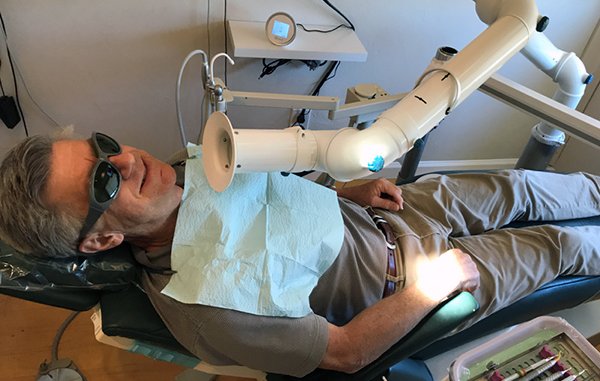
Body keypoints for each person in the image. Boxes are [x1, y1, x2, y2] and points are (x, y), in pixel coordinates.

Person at [1, 129, 600, 378]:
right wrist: (431, 288)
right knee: (563, 244)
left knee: (525, 187)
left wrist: (342, 191)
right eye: (105, 182)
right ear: (102, 240)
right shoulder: (203, 307)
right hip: (412, 279)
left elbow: (274, 202)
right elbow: (344, 353)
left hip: (401, 208)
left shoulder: (194, 170)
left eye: (104, 147)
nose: (128, 159)